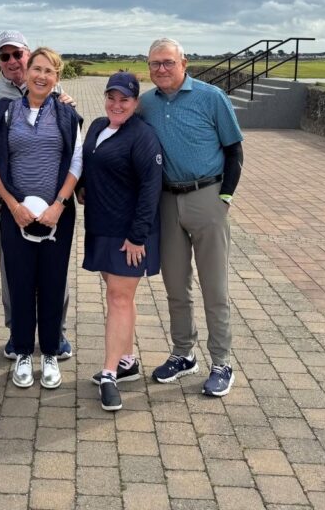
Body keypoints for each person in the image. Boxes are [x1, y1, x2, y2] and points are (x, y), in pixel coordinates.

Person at [139, 38, 244, 397]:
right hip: (167, 200)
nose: (161, 69)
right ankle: (184, 354)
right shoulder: (146, 103)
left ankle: (221, 362)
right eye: (155, 64)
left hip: (207, 197)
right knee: (175, 286)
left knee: (215, 287)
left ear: (184, 62)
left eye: (168, 62)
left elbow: (234, 150)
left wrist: (224, 197)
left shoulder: (211, 97)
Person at [0, 31, 73, 361]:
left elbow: (71, 148)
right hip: (11, 200)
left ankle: (54, 333)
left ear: (29, 57)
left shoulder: (54, 92)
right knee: (13, 271)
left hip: (51, 204)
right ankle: (19, 334)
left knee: (54, 272)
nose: (13, 61)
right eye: (5, 56)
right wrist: (0, 193)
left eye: (18, 54)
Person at [0, 47, 83, 389]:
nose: (41, 76)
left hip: (58, 213)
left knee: (54, 283)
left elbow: (76, 162)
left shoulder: (66, 114)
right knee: (21, 282)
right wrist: (13, 205)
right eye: (36, 69)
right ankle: (24, 352)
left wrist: (59, 204)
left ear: (57, 78)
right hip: (18, 214)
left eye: (49, 72)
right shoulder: (6, 111)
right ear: (26, 72)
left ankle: (51, 353)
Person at [79, 72, 163, 412]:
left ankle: (110, 373)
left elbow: (150, 188)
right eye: (112, 97)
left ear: (136, 103)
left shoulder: (143, 137)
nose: (117, 104)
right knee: (120, 297)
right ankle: (127, 360)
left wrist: (137, 236)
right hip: (101, 226)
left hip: (129, 234)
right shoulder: (99, 126)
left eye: (124, 99)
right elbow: (90, 162)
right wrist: (84, 186)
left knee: (118, 298)